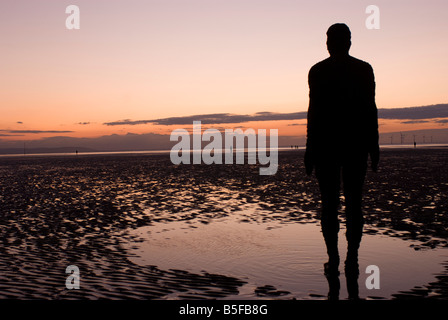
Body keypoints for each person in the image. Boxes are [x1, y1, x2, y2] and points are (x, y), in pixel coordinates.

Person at [304, 23, 379, 296]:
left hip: (328, 146)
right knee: (353, 203)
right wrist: (374, 146)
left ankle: (337, 258)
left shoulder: (319, 71)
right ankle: (350, 258)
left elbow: (314, 112)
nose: (327, 43)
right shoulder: (363, 69)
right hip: (354, 145)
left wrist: (311, 148)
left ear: (334, 43)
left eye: (329, 39)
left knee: (331, 204)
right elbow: (370, 110)